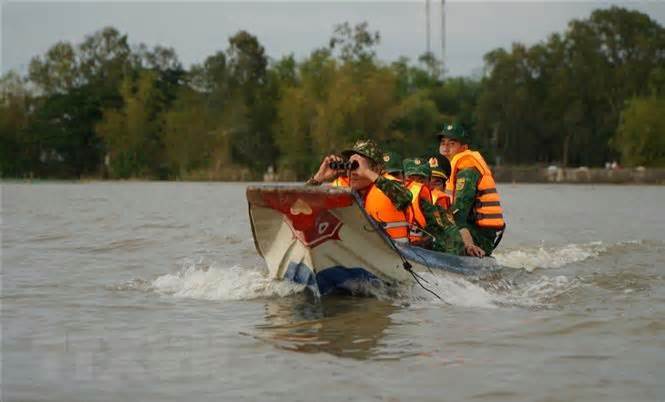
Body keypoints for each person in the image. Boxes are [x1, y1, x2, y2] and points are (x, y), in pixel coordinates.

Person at [306, 140, 464, 254]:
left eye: (359, 166)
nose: (353, 172)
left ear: (377, 168)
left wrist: (367, 172)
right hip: (355, 250)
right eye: (351, 165)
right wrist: (318, 178)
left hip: (397, 256)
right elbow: (299, 206)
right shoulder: (341, 189)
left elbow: (404, 197)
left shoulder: (392, 188)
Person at [438, 123, 505, 257]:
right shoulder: (447, 170)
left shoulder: (467, 172)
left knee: (437, 233)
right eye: (443, 143)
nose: (445, 148)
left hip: (479, 237)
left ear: (464, 148)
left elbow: (459, 214)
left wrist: (468, 244)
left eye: (451, 144)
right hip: (469, 229)